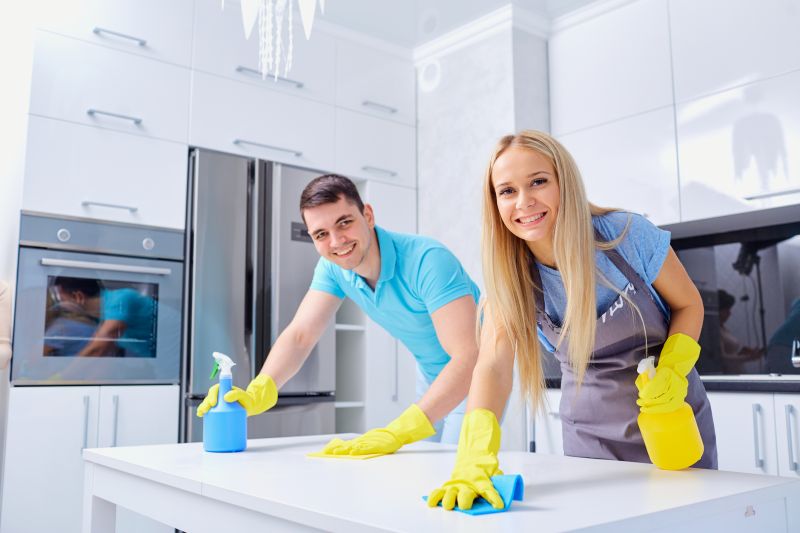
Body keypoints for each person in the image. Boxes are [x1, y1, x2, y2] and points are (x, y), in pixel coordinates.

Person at [428, 130, 718, 511]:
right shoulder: (510, 274)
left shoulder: (626, 235)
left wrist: (674, 371)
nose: (525, 201)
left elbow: (689, 304)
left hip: (671, 419)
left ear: (564, 181)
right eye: (507, 191)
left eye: (538, 182)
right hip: (589, 437)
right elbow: (495, 363)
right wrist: (473, 455)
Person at [197, 174, 481, 452]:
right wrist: (259, 390)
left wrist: (399, 431)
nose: (336, 242)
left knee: (451, 473)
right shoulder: (333, 268)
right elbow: (300, 336)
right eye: (321, 234)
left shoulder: (428, 261)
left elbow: (468, 356)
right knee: (422, 472)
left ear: (367, 215)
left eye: (344, 222)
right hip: (432, 376)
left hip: (476, 375)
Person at [717, 288, 763, 373]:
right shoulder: (716, 332)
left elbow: (733, 350)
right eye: (726, 310)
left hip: (737, 372)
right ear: (719, 310)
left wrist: (747, 351)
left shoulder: (724, 329)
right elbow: (721, 358)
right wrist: (749, 358)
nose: (729, 313)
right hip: (728, 375)